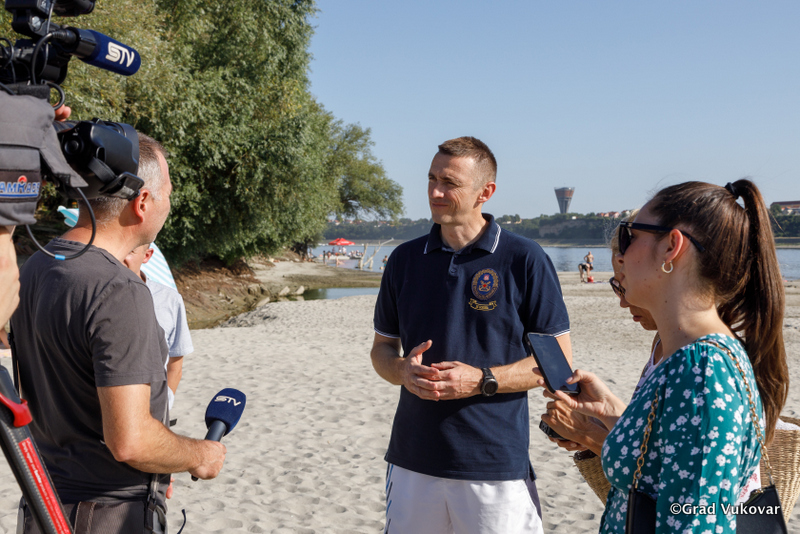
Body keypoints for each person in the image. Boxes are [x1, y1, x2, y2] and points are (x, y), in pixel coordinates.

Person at [11, 133, 226, 533]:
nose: (169, 205)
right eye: (168, 194)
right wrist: (200, 455)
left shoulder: (35, 266)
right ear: (142, 202)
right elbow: (131, 441)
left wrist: (163, 463)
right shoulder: (119, 290)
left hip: (42, 506)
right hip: (106, 516)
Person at [547, 180, 787, 533]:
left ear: (672, 247)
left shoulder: (701, 371)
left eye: (629, 237)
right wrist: (611, 411)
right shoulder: (687, 359)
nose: (621, 256)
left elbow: (696, 522)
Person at [371, 136, 571, 534]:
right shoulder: (404, 260)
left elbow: (558, 363)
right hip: (412, 461)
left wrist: (482, 380)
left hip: (494, 466)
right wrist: (402, 371)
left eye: (449, 183)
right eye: (431, 179)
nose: (435, 191)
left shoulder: (524, 258)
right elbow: (382, 349)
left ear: (485, 192)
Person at [123, 244, 193, 412]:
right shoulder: (90, 296)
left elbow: (175, 365)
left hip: (153, 410)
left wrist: (165, 404)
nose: (120, 256)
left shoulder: (170, 300)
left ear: (146, 255)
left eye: (130, 251)